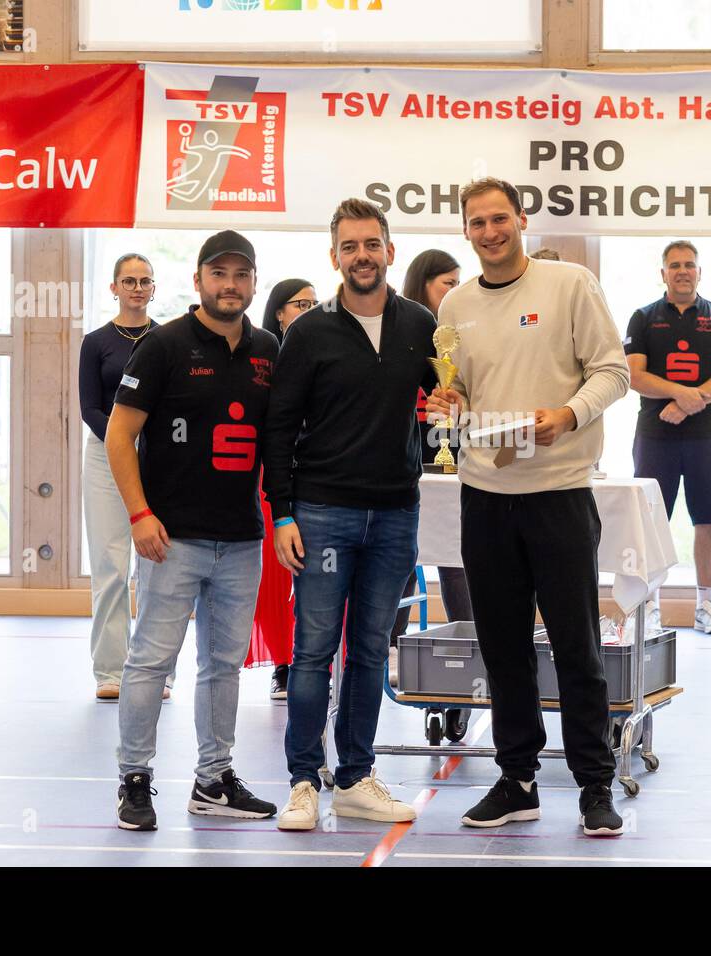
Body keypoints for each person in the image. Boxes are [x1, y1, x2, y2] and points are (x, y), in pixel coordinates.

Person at [426, 177, 630, 837]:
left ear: (521, 218)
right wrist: (446, 404)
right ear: (466, 230)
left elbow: (613, 371)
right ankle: (516, 781)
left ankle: (595, 787)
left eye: (499, 219)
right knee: (503, 649)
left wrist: (568, 414)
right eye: (477, 223)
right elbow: (455, 387)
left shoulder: (569, 284)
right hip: (485, 494)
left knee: (577, 647)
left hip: (560, 493)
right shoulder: (454, 305)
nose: (489, 232)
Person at [266, 198, 436, 832]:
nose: (361, 256)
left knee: (369, 651)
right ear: (334, 256)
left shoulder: (422, 324)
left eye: (372, 244)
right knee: (313, 652)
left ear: (389, 250)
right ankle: (304, 782)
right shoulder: (308, 332)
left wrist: (450, 397)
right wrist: (282, 514)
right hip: (323, 512)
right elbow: (278, 429)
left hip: (396, 513)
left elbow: (446, 391)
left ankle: (356, 777)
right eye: (349, 247)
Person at [107, 230, 279, 831]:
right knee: (151, 662)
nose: (230, 285)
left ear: (253, 282)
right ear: (200, 279)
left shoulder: (268, 351)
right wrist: (139, 514)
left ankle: (213, 779)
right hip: (170, 538)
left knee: (223, 665)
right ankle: (135, 778)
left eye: (241, 274)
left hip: (240, 538)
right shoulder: (162, 346)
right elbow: (119, 435)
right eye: (219, 273)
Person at [623, 240, 711, 634]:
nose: (683, 271)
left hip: (707, 434)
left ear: (699, 272)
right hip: (656, 434)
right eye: (675, 265)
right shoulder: (642, 317)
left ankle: (706, 606)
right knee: (652, 522)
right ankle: (650, 608)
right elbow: (634, 376)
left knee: (708, 520)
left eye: (689, 264)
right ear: (663, 273)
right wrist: (680, 393)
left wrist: (691, 402)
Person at [80, 254, 164, 702]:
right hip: (105, 456)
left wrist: (148, 444)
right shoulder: (95, 342)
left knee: (155, 566)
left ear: (154, 288)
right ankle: (109, 670)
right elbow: (90, 407)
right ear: (114, 287)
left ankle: (156, 671)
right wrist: (122, 442)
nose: (136, 287)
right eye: (128, 281)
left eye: (144, 281)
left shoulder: (168, 339)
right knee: (111, 566)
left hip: (158, 457)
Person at [389, 250, 471, 694]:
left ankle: (470, 643)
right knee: (402, 554)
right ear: (422, 283)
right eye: (447, 283)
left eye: (459, 282)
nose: (455, 291)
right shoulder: (405, 328)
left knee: (455, 555)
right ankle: (389, 645)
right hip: (406, 453)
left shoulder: (461, 333)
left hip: (453, 453)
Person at [246, 278, 317, 701]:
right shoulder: (264, 356)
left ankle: (318, 664)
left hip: (319, 474)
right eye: (300, 304)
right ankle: (283, 664)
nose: (309, 310)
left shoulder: (325, 348)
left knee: (317, 572)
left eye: (314, 303)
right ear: (278, 311)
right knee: (277, 577)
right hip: (273, 476)